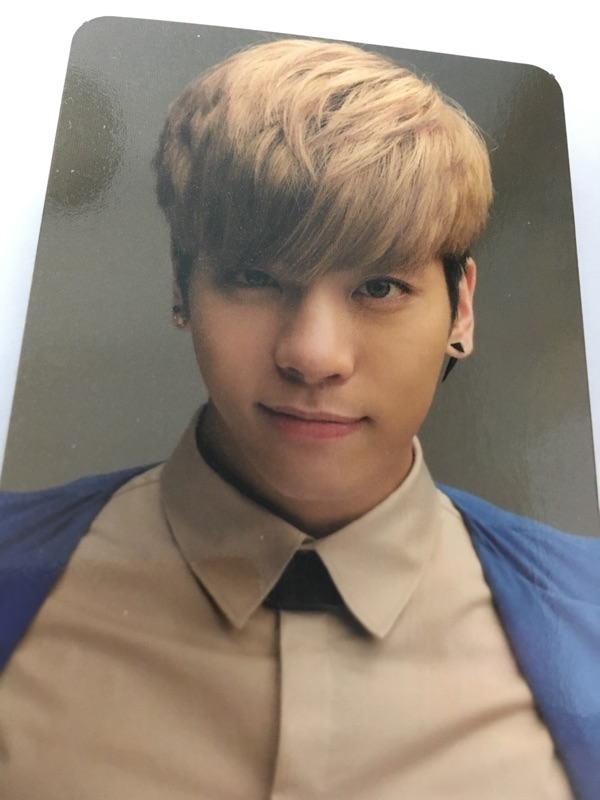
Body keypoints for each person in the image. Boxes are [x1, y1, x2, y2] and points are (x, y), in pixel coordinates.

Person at [0, 38, 598, 799]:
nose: (313, 356)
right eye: (255, 276)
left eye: (379, 287)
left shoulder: (587, 609)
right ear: (182, 288)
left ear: (462, 309)